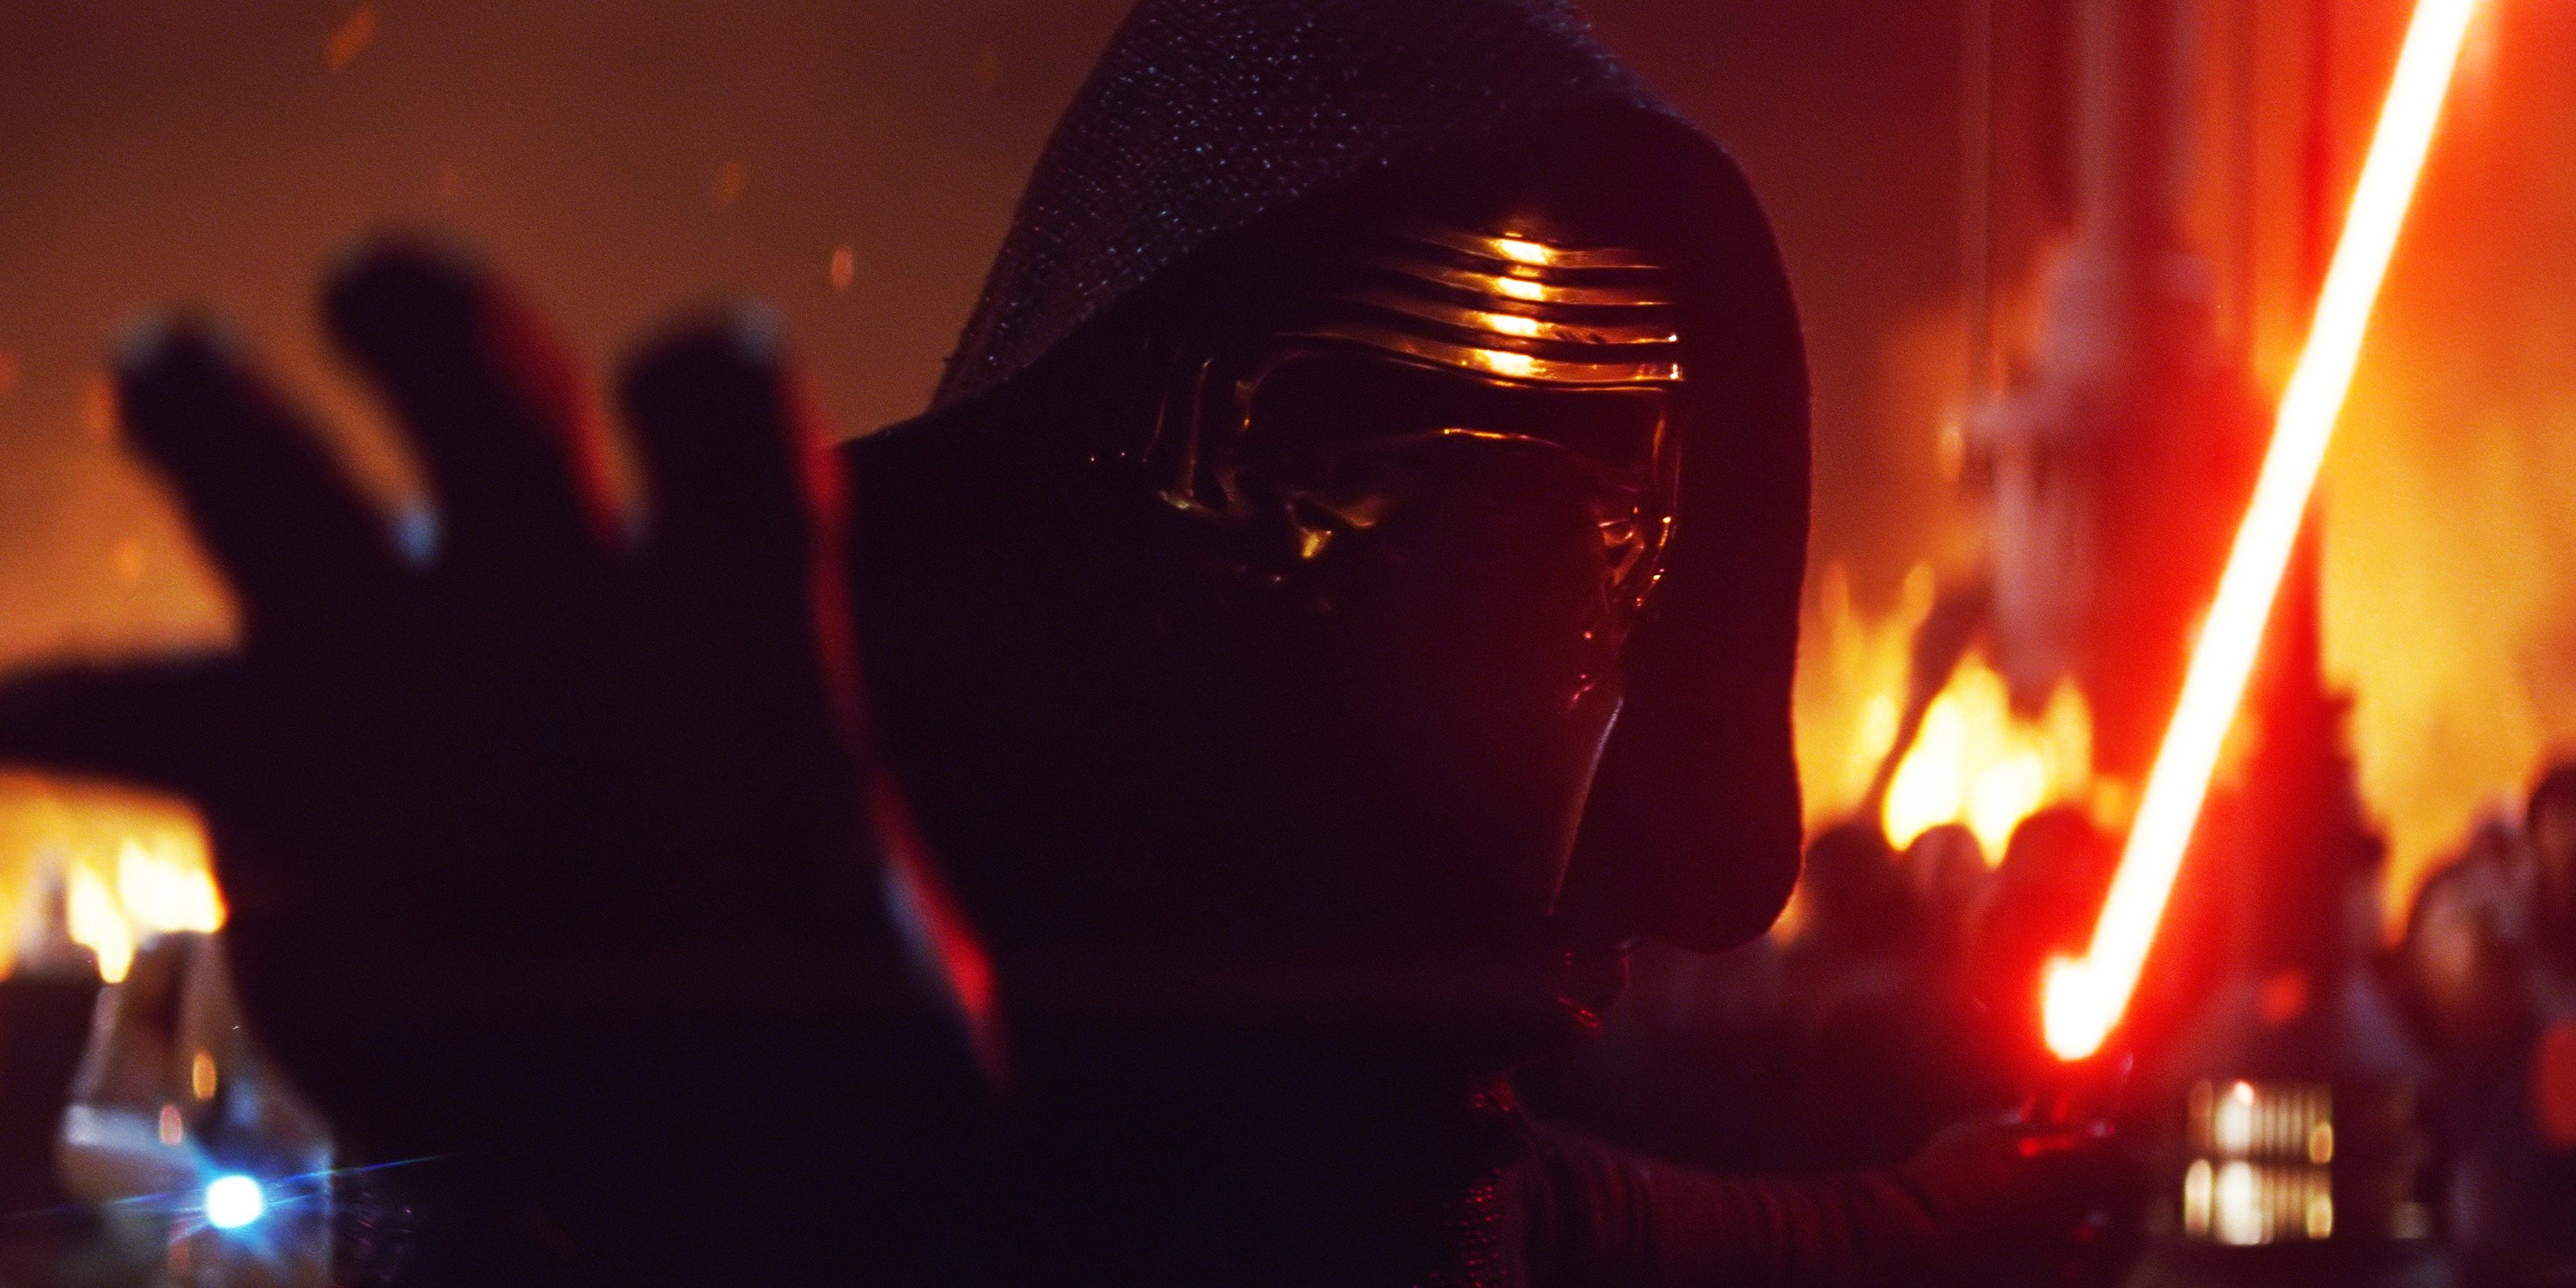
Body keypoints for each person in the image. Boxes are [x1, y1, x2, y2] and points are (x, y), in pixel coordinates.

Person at [0, 1, 2132, 1282]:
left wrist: (1977, 1207)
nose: (1487, 643)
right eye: (1376, 489)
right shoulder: (823, 1083)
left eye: (1578, 530)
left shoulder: (1380, 1139)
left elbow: (1554, 1225)